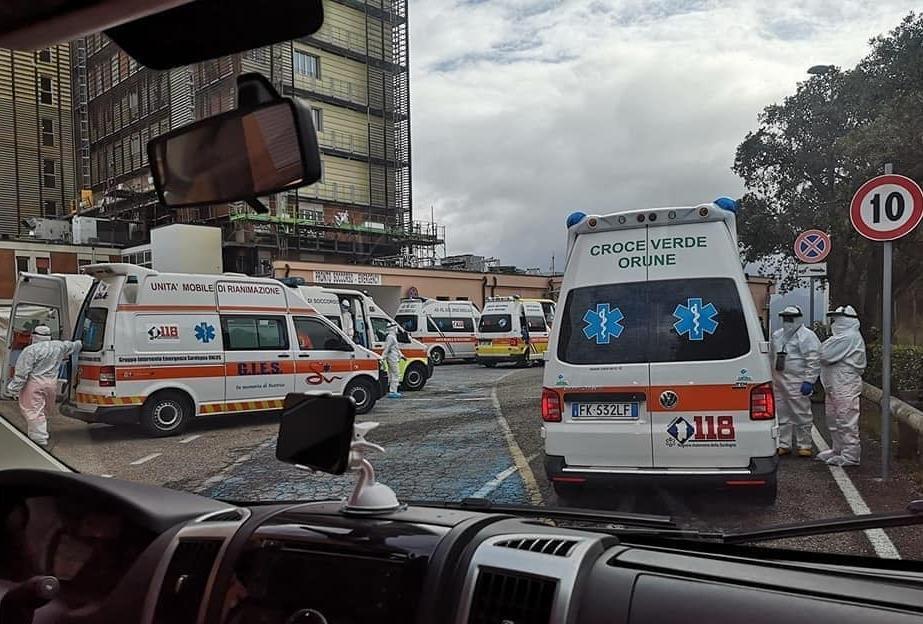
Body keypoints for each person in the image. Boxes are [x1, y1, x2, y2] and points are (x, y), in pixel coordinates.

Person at [6, 325, 82, 447]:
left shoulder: (30, 350)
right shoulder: (59, 346)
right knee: (44, 410)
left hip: (34, 384)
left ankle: (39, 440)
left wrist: (12, 389)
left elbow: (22, 373)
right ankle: (37, 434)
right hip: (51, 384)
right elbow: (75, 346)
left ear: (34, 336)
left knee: (33, 411)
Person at [817, 305, 867, 467]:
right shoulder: (840, 338)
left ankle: (851, 454)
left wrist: (825, 347)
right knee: (833, 417)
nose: (835, 322)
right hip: (835, 383)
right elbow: (824, 353)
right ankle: (838, 449)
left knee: (846, 418)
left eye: (838, 318)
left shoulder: (849, 337)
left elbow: (824, 354)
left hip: (845, 384)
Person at [770, 305, 821, 457]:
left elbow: (814, 359)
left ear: (798, 319)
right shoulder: (777, 335)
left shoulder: (807, 336)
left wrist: (809, 380)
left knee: (801, 414)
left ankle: (804, 445)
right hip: (778, 381)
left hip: (797, 382)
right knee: (781, 414)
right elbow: (770, 357)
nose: (787, 321)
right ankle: (784, 444)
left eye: (790, 318)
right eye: (784, 318)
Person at [382, 321, 404, 399]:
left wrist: (401, 356)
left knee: (392, 374)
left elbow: (396, 349)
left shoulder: (392, 337)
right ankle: (393, 391)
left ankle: (393, 390)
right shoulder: (391, 337)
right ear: (393, 328)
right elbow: (387, 348)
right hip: (392, 358)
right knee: (395, 374)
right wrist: (382, 358)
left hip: (393, 357)